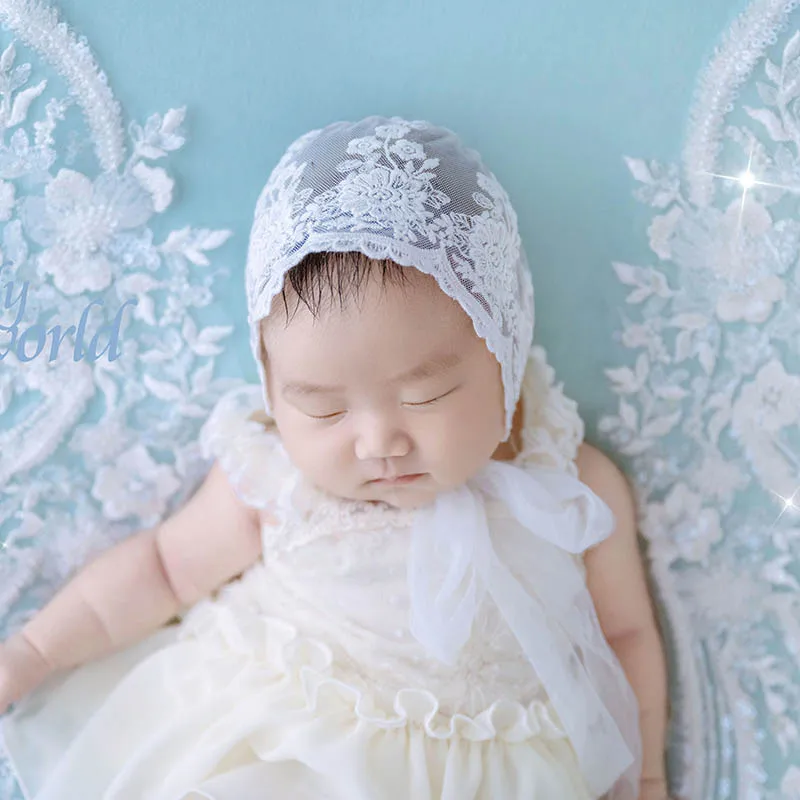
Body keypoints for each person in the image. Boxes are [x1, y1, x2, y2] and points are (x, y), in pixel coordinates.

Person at [0, 115, 670, 799]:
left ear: (504, 349)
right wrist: (33, 652)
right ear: (272, 387)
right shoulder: (275, 482)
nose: (378, 441)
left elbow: (624, 636)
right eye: (322, 407)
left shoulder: (571, 486)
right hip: (289, 746)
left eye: (427, 395)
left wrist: (644, 776)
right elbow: (163, 569)